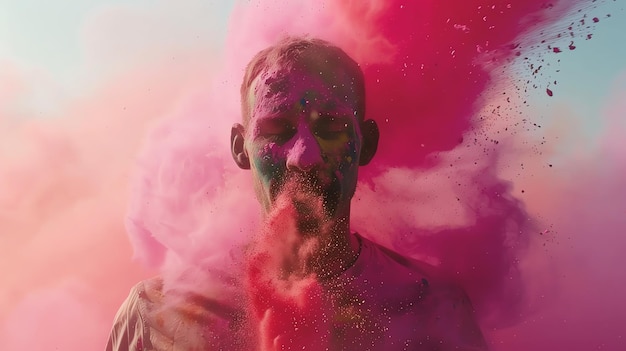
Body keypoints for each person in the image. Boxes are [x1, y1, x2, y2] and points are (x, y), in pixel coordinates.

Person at [106, 37, 488, 351]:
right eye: (277, 129)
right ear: (241, 148)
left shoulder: (433, 309)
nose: (304, 157)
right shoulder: (157, 314)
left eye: (331, 127)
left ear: (365, 143)